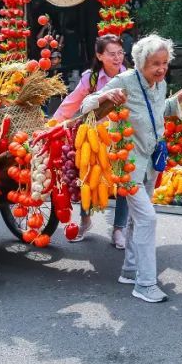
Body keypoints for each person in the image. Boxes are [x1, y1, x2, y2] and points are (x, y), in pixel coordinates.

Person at [80, 34, 182, 303]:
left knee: (138, 219)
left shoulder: (159, 85)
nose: (161, 69)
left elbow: (161, 110)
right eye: (154, 64)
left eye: (164, 63)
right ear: (139, 63)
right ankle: (145, 284)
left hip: (151, 163)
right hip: (127, 164)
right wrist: (104, 96)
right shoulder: (124, 81)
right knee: (148, 218)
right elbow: (85, 106)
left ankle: (129, 270)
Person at [55, 35, 130, 248]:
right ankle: (85, 220)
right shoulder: (91, 78)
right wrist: (55, 123)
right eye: (111, 54)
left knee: (123, 182)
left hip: (120, 135)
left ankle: (118, 229)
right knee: (87, 178)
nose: (117, 58)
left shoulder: (129, 76)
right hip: (94, 136)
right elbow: (72, 102)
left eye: (120, 53)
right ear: (100, 55)